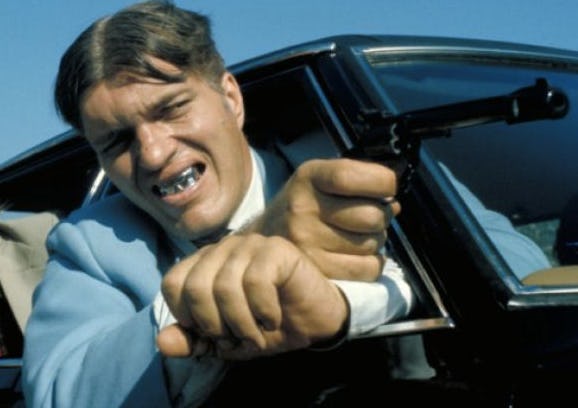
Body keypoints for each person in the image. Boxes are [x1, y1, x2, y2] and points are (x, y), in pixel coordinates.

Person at [22, 2, 414, 407]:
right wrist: (196, 303)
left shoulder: (348, 162)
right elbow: (58, 396)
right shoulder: (88, 243)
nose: (153, 155)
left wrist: (347, 305)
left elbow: (447, 256)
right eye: (117, 142)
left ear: (230, 98)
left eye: (171, 110)